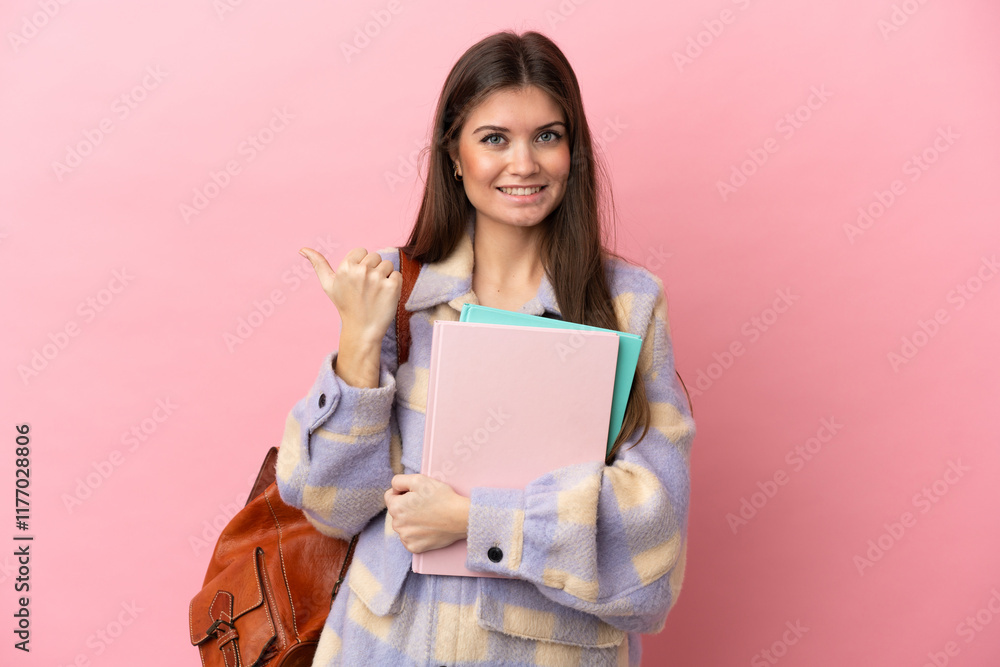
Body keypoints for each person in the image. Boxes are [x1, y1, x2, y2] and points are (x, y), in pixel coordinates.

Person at [276, 29, 695, 667]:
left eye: (547, 136)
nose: (523, 164)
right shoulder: (394, 289)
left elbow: (651, 547)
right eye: (494, 138)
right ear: (454, 154)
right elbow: (331, 508)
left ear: (574, 152)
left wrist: (477, 522)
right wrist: (358, 344)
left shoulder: (630, 304)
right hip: (384, 649)